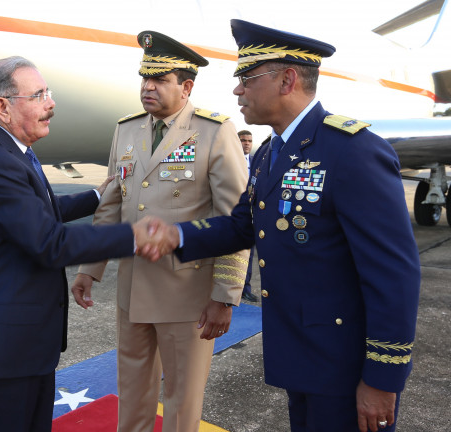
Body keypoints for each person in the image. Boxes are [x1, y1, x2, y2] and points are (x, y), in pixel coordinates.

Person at [144, 19, 421, 432]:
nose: (237, 90)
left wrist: (383, 379)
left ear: (287, 80)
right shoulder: (269, 153)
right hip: (300, 356)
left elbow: (393, 274)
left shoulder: (352, 151)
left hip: (344, 369)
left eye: (247, 79)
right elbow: (243, 227)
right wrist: (177, 235)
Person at [0, 56, 169, 432]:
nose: (50, 104)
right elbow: (49, 242)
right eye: (38, 95)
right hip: (0, 351)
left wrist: (94, 198)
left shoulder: (10, 151)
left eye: (48, 93)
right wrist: (133, 236)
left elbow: (37, 212)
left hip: (22, 344)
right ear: (3, 107)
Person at [71, 31, 249, 432]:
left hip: (187, 295)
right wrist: (89, 269)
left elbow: (236, 221)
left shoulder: (214, 131)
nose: (147, 87)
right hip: (133, 289)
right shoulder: (127, 129)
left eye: (159, 79)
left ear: (186, 87)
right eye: (144, 78)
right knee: (131, 392)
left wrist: (224, 296)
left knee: (181, 403)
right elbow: (111, 205)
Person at [238, 130, 258, 302]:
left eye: (249, 141)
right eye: (243, 140)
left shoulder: (257, 160)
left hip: (251, 213)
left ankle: (245, 288)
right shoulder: (227, 160)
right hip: (230, 211)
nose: (247, 143)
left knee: (248, 252)